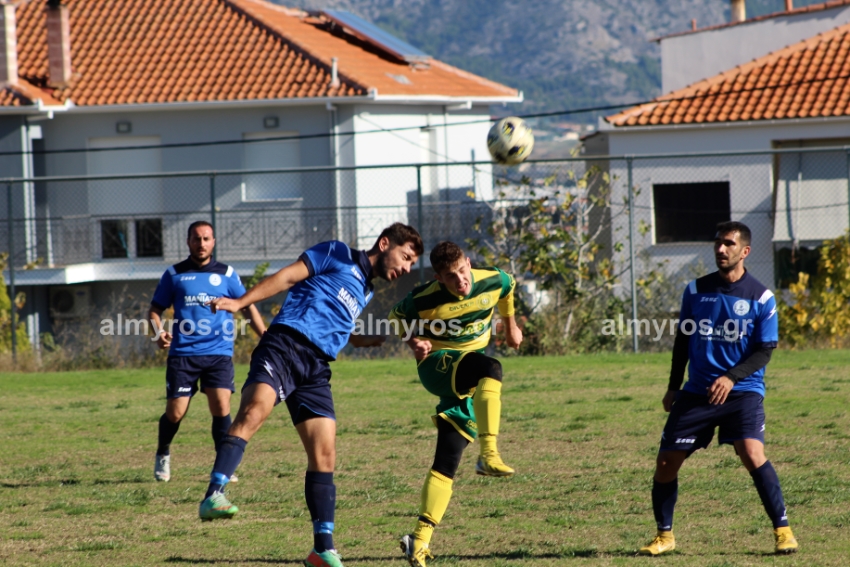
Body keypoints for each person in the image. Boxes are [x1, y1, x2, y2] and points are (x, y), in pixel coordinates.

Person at [199, 223, 423, 567]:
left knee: (325, 454)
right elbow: (288, 277)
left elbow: (336, 322)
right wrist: (241, 302)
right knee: (255, 411)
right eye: (406, 257)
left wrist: (361, 340)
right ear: (384, 244)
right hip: (284, 345)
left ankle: (322, 550)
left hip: (316, 368)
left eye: (412, 263)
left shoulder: (366, 290)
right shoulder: (337, 252)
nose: (407, 268)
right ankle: (214, 494)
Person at [639, 221, 798, 556]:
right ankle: (664, 536)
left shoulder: (761, 297)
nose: (721, 249)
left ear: (745, 251)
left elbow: (764, 350)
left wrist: (731, 377)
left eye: (728, 244)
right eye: (717, 243)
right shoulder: (696, 290)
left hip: (743, 391)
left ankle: (783, 531)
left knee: (752, 453)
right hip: (697, 392)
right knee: (666, 463)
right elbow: (682, 341)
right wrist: (673, 387)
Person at [388, 241, 522, 567]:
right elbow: (396, 316)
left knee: (447, 460)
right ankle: (489, 455)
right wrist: (413, 342)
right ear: (439, 278)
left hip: (466, 377)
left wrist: (511, 326)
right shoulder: (424, 298)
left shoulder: (493, 279)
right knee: (492, 368)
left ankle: (418, 540)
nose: (460, 279)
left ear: (469, 263)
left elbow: (508, 288)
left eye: (462, 270)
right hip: (437, 365)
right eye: (451, 276)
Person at [149, 220, 266, 483]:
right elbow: (155, 310)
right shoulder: (174, 274)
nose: (201, 244)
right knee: (175, 412)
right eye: (196, 239)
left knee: (221, 407)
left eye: (206, 239)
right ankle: (163, 452)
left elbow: (246, 305)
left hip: (218, 353)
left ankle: (223, 467)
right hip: (183, 354)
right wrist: (158, 333)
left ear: (213, 242)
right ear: (188, 242)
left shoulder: (227, 274)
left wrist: (265, 336)